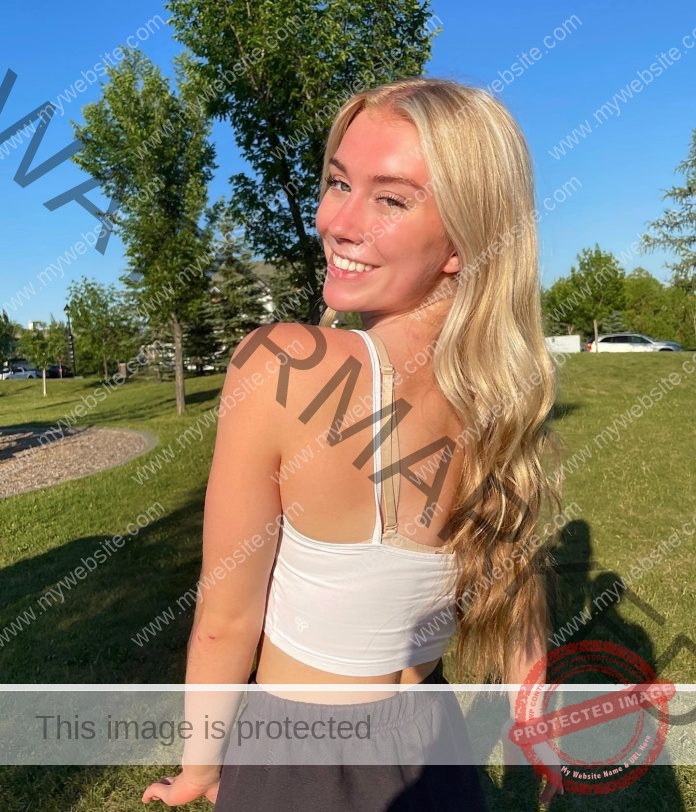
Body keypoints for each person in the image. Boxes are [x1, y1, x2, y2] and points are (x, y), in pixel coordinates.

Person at [143, 77, 563, 810]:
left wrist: (202, 768)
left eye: (390, 198)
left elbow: (225, 618)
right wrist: (536, 718)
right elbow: (515, 580)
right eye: (339, 182)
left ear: (467, 238)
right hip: (438, 757)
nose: (336, 221)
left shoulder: (282, 365)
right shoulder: (508, 398)